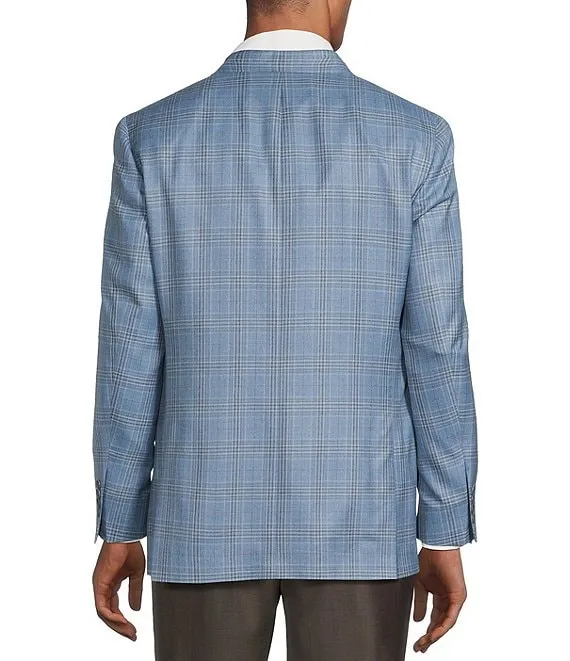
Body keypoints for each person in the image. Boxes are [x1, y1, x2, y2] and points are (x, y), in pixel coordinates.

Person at [91, 1, 478, 659]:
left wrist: (120, 521)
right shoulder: (415, 139)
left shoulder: (151, 138)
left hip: (202, 520)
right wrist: (442, 526)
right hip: (361, 522)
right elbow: (436, 343)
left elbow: (130, 347)